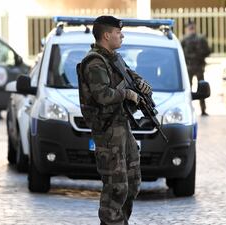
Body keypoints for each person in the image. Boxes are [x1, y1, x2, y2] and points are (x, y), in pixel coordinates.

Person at [77, 16, 151, 225]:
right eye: (119, 33)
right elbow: (102, 96)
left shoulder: (114, 58)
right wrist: (126, 94)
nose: (122, 36)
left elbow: (128, 75)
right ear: (107, 35)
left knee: (133, 182)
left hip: (122, 126)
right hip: (108, 131)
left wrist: (140, 85)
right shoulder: (94, 62)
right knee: (116, 186)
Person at [181, 22, 211, 116]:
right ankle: (203, 110)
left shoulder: (184, 39)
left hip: (189, 66)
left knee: (188, 88)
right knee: (201, 88)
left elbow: (180, 53)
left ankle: (188, 109)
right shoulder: (201, 39)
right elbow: (208, 51)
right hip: (198, 66)